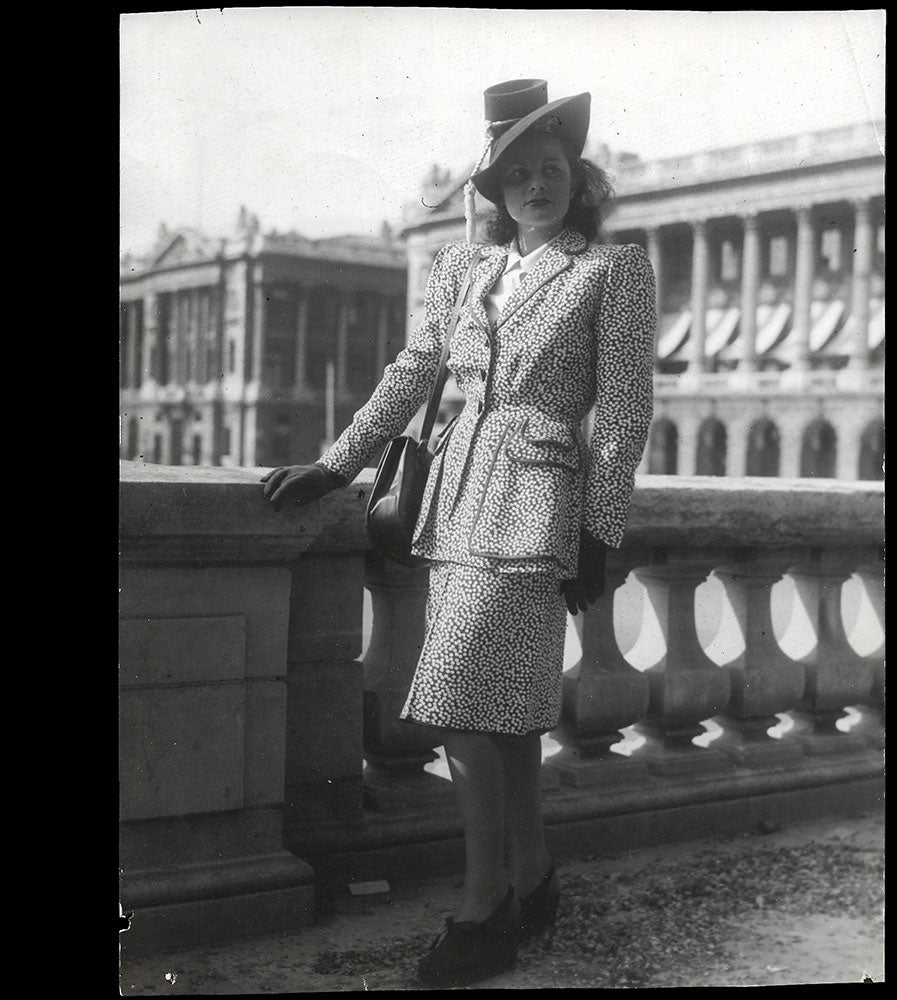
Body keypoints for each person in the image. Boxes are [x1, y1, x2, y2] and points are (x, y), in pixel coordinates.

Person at [262, 78, 655, 988]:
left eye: (550, 168)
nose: (535, 186)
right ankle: (532, 877)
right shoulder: (461, 269)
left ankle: (485, 913)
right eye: (517, 174)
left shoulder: (611, 270)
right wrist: (338, 462)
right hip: (453, 503)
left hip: (537, 509)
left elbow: (625, 408)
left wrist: (598, 530)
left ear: (577, 176)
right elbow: (414, 369)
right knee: (502, 712)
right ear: (496, 189)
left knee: (460, 706)